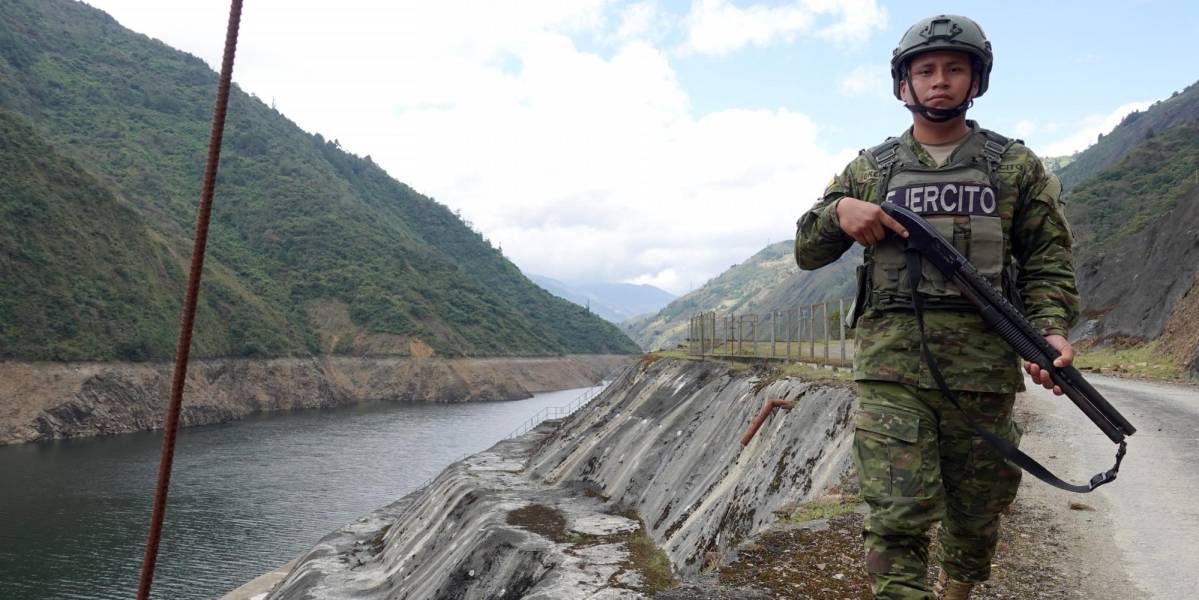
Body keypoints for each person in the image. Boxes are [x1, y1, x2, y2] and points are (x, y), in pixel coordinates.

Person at [794, 14, 1080, 600]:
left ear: (977, 81)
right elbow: (807, 249)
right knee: (897, 513)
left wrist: (1048, 333)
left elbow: (1048, 262)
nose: (940, 81)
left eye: (955, 69)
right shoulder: (869, 170)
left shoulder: (1015, 168)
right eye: (925, 71)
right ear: (904, 85)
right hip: (891, 368)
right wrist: (839, 209)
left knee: (976, 518)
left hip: (983, 370)